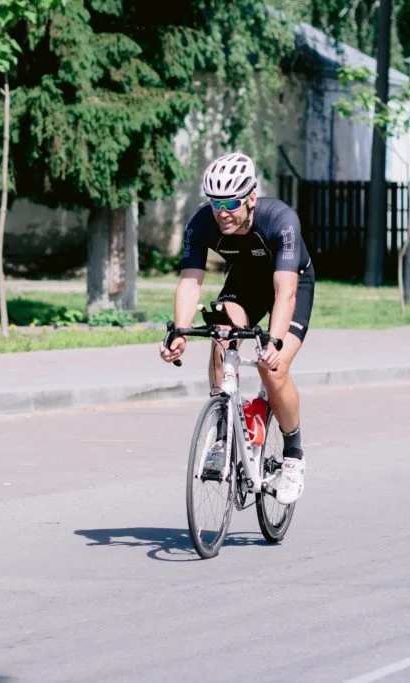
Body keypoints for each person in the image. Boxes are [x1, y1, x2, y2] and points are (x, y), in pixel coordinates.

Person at [159, 151, 315, 505]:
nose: (222, 212)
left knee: (272, 368)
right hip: (246, 282)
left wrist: (274, 342)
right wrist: (179, 333)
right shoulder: (201, 223)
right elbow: (190, 282)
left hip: (291, 283)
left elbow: (285, 292)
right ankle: (222, 435)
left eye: (231, 202)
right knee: (221, 336)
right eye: (215, 203)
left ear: (251, 198)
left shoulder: (280, 220)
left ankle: (293, 456)